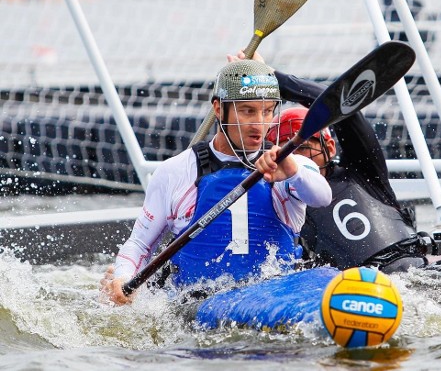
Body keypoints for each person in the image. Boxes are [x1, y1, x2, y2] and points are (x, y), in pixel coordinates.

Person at [100, 60, 332, 305]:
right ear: (219, 109)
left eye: (267, 111)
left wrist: (292, 171)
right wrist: (123, 278)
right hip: (196, 306)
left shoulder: (290, 166)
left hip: (275, 299)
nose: (259, 123)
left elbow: (322, 196)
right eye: (248, 111)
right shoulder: (176, 171)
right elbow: (139, 245)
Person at [224, 52, 431, 273]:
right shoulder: (282, 198)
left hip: (413, 271)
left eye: (301, 147)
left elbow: (337, 103)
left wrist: (272, 79)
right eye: (285, 151)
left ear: (330, 148)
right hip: (348, 291)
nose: (293, 157)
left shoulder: (362, 170)